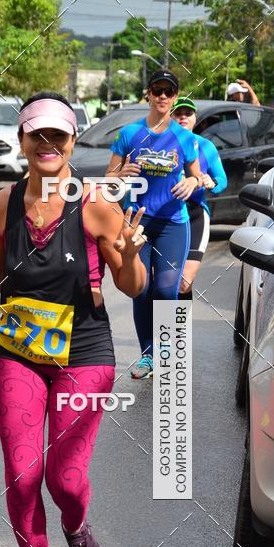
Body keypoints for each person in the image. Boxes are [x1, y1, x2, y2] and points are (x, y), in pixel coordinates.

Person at [0, 91, 147, 547]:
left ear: (71, 141)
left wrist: (130, 256)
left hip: (84, 356)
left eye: (57, 136)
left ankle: (76, 526)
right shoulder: (0, 205)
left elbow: (133, 286)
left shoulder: (96, 208)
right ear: (21, 140)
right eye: (35, 134)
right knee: (22, 474)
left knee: (65, 477)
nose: (46, 144)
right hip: (17, 353)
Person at [106, 69, 202, 379]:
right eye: (157, 90)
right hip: (137, 221)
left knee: (165, 288)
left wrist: (191, 182)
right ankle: (148, 356)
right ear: (148, 94)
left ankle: (166, 351)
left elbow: (197, 175)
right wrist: (120, 175)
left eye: (168, 91)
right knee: (141, 288)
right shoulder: (129, 134)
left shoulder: (185, 138)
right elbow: (108, 179)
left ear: (174, 98)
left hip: (174, 222)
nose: (162, 96)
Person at [170, 97, 228, 300]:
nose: (183, 117)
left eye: (188, 114)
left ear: (195, 118)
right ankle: (161, 330)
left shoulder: (206, 146)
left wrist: (212, 182)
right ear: (170, 117)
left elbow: (222, 180)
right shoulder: (160, 144)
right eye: (178, 113)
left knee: (184, 281)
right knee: (163, 280)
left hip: (195, 214)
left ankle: (176, 332)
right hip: (165, 214)